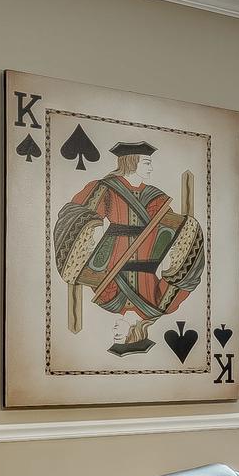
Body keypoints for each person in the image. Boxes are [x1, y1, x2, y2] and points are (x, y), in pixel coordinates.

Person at [52, 139, 205, 356]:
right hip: (118, 259)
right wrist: (92, 229)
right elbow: (76, 212)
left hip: (131, 267)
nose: (151, 168)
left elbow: (171, 225)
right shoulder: (106, 189)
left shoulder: (106, 300)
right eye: (147, 163)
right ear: (131, 162)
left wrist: (182, 239)